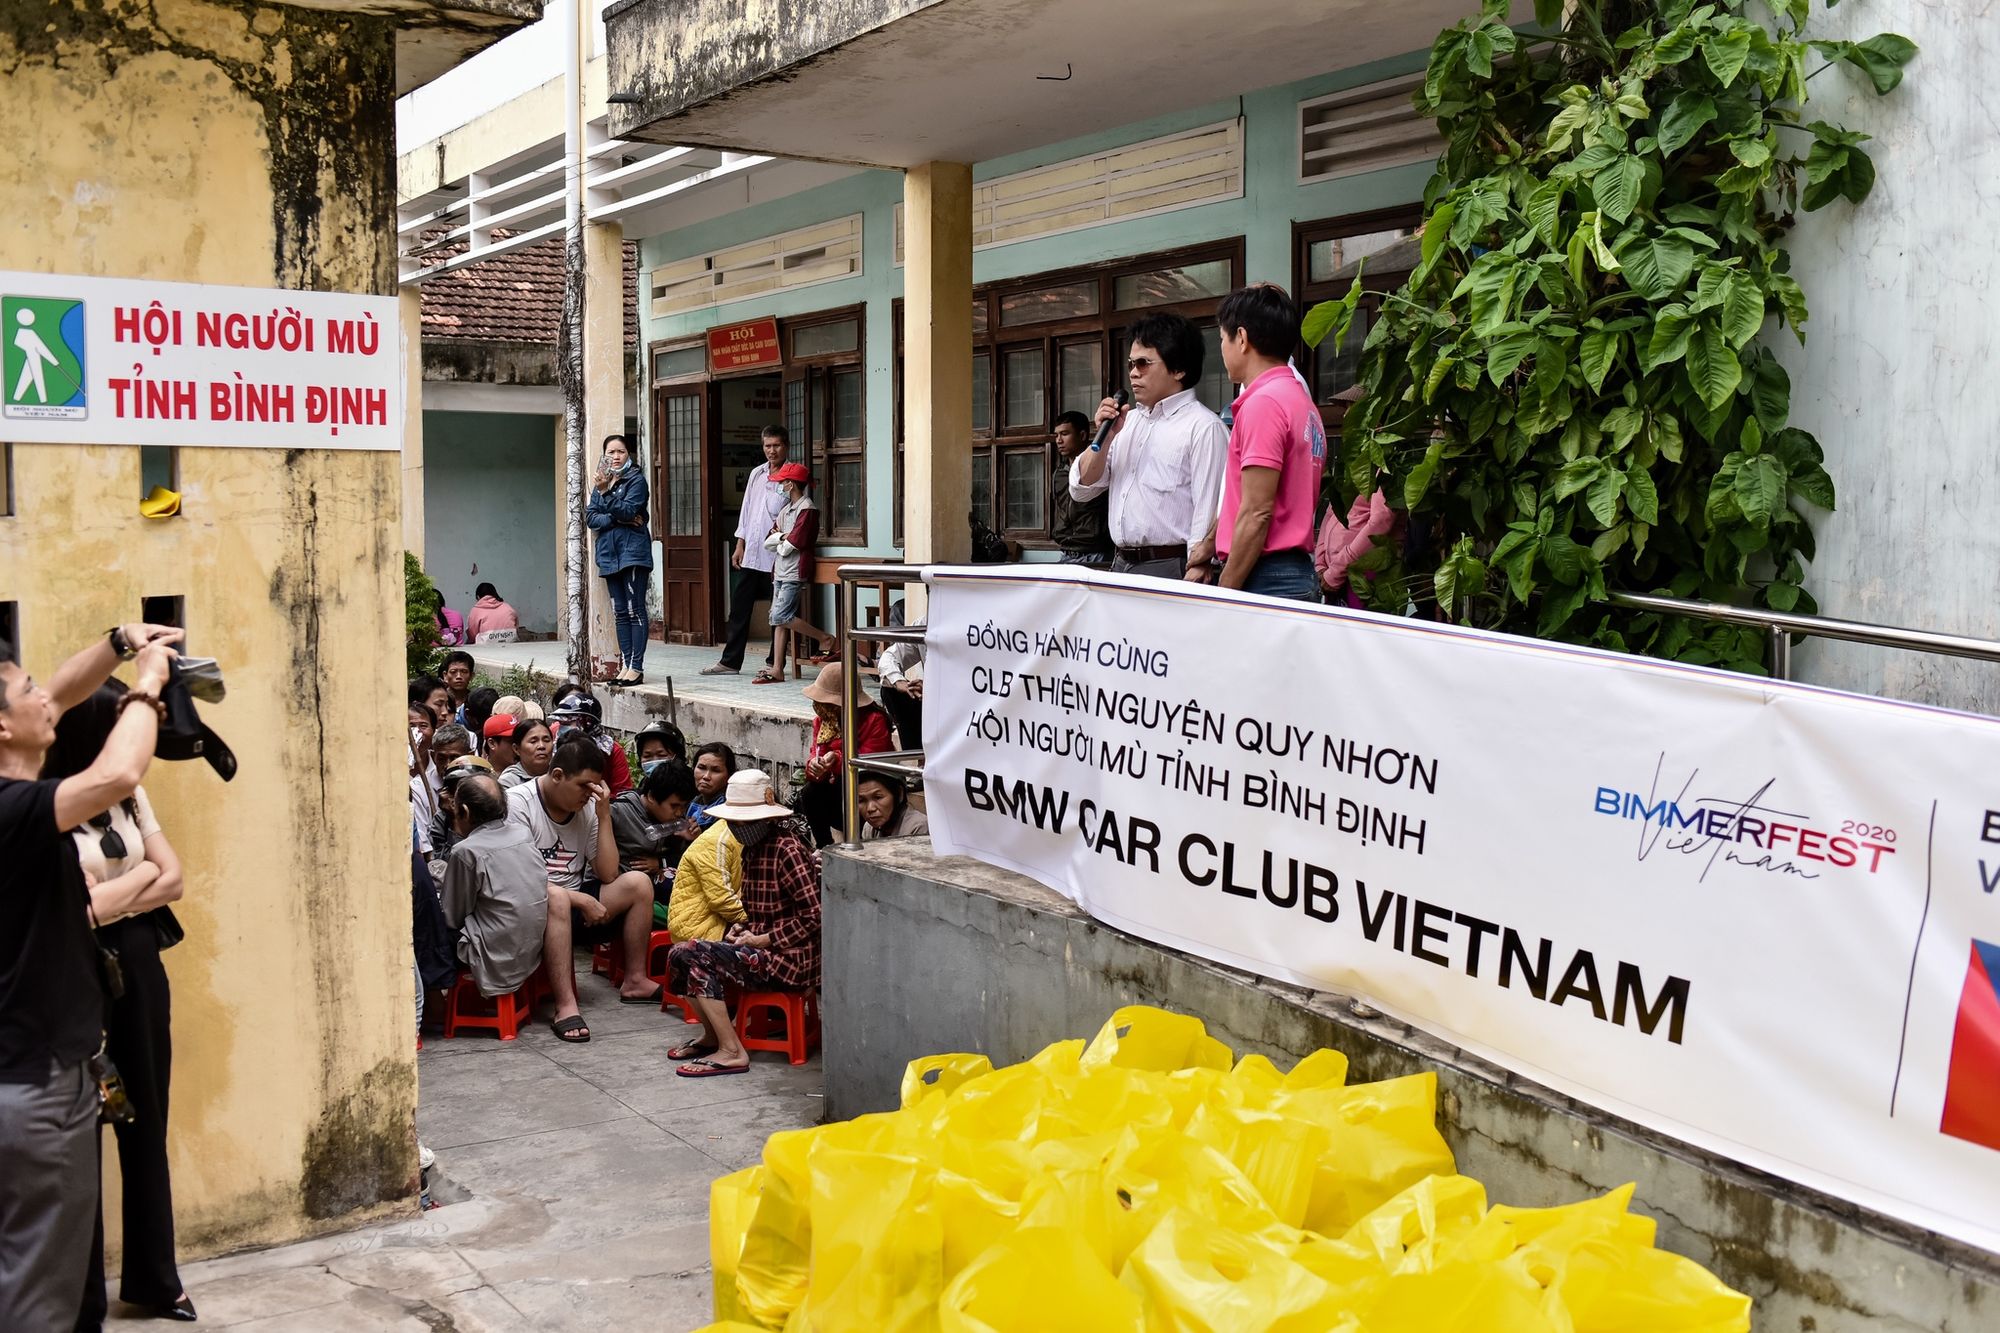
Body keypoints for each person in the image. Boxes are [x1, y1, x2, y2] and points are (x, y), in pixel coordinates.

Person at [0, 622, 180, 1331]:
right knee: (38, 1294)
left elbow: (61, 694)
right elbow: (119, 774)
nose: (47, 694)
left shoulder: (23, 796)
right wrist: (148, 685)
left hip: (52, 1068)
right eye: (28, 689)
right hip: (33, 1079)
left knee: (58, 1284)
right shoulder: (15, 810)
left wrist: (118, 641)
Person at [44, 683, 194, 1327]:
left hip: (137, 964)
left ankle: (156, 1279)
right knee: (80, 1128)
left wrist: (112, 894)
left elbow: (175, 878)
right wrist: (139, 880)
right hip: (72, 972)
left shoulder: (130, 794)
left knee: (146, 1117)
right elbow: (69, 913)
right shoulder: (46, 803)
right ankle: (80, 1295)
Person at [664, 776, 821, 1077]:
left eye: (744, 822)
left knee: (698, 955)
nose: (737, 828)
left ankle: (733, 1051)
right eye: (733, 822)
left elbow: (814, 916)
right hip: (763, 950)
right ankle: (713, 1036)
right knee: (679, 954)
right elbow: (753, 909)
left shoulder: (787, 850)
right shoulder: (751, 849)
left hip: (792, 959)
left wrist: (765, 939)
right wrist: (742, 928)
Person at [506, 738, 660, 1041]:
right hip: (529, 908)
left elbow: (608, 872)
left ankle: (635, 980)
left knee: (638, 884)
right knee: (557, 897)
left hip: (574, 906)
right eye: (583, 786)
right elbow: (519, 878)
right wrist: (580, 900)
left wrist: (603, 814)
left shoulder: (589, 807)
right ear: (557, 775)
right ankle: (565, 1006)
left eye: (595, 788)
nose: (589, 794)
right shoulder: (518, 803)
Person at [1071, 311, 1229, 579]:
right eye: (1131, 364)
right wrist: (1105, 437)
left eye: (1143, 363)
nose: (1134, 373)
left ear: (1178, 368)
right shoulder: (1125, 422)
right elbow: (1082, 489)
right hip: (1120, 562)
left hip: (1172, 565)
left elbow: (1209, 509)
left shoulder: (1204, 427)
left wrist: (1198, 566)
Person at [1199, 284, 1326, 601]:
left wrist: (1225, 593)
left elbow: (1257, 512)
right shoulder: (1300, 400)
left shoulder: (1264, 403)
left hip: (1265, 575)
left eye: (1223, 339)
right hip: (1290, 571)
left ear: (1241, 339)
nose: (1222, 350)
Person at [439, 775, 554, 1000]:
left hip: (495, 956)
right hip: (529, 951)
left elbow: (453, 916)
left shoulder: (466, 851)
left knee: (431, 931)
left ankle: (434, 1005)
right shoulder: (523, 834)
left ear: (464, 811)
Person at [705, 425, 791, 677]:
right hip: (752, 551)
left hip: (778, 554)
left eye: (776, 445)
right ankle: (730, 661)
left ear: (785, 446)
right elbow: (746, 510)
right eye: (767, 446)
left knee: (778, 611)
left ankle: (774, 663)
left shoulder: (791, 475)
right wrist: (739, 544)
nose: (771, 451)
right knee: (739, 608)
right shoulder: (757, 473)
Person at [795, 662, 893, 846]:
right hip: (838, 789)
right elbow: (815, 753)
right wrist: (815, 767)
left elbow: (869, 762)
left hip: (868, 786)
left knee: (851, 789)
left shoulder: (874, 720)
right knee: (810, 792)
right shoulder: (822, 723)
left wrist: (836, 759)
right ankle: (823, 846)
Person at [666, 773, 772, 944]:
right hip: (700, 926)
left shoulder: (754, 837)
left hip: (728, 917)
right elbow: (722, 900)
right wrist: (763, 921)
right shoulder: (717, 841)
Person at [586, 434, 653, 685]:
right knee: (620, 613)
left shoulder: (636, 480)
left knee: (635, 610)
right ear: (604, 456)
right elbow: (591, 518)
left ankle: (636, 667)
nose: (615, 457)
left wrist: (607, 494)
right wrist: (618, 518)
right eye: (611, 452)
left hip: (633, 553)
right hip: (608, 555)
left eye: (621, 451)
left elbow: (629, 510)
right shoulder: (601, 482)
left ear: (628, 454)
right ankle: (625, 665)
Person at [754, 462, 824, 685]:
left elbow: (795, 543)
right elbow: (769, 540)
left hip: (794, 570)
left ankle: (825, 639)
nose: (780, 485)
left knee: (780, 616)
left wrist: (781, 538)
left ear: (790, 484)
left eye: (783, 482)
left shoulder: (807, 509)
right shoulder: (786, 510)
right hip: (780, 570)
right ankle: (777, 669)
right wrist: (784, 537)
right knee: (778, 620)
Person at [610, 759, 698, 913]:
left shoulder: (675, 820)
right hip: (617, 889)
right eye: (674, 806)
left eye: (684, 806)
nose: (679, 812)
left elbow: (687, 863)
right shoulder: (618, 811)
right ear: (651, 796)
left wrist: (689, 841)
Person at [1049, 410, 1114, 566]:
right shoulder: (1059, 473)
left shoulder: (1102, 468)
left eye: (1065, 434)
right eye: (1056, 435)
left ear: (1082, 435)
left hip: (1096, 553)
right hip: (1066, 551)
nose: (1059, 440)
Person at [548, 690, 632, 795]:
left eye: (567, 723)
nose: (562, 728)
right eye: (561, 723)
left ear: (588, 722)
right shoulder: (555, 745)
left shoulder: (612, 751)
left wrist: (601, 800)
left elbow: (624, 794)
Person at [877, 636, 924, 751]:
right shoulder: (925, 628)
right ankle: (917, 752)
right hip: (932, 699)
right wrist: (898, 681)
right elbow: (889, 656)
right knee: (891, 689)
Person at [857, 772, 929, 842]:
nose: (870, 808)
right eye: (861, 800)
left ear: (899, 794)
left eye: (878, 797)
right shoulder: (868, 828)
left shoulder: (918, 827)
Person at [497, 717, 553, 790]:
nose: (541, 746)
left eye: (546, 740)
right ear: (516, 749)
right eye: (533, 741)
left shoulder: (561, 774)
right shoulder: (508, 781)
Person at [689, 741, 736, 827]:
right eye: (701, 768)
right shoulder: (695, 801)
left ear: (729, 775)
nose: (706, 776)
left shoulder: (728, 812)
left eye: (716, 771)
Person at [440, 651, 476, 722]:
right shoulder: (437, 700)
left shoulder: (475, 702)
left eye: (464, 672)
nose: (459, 676)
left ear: (471, 676)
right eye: (453, 672)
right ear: (445, 675)